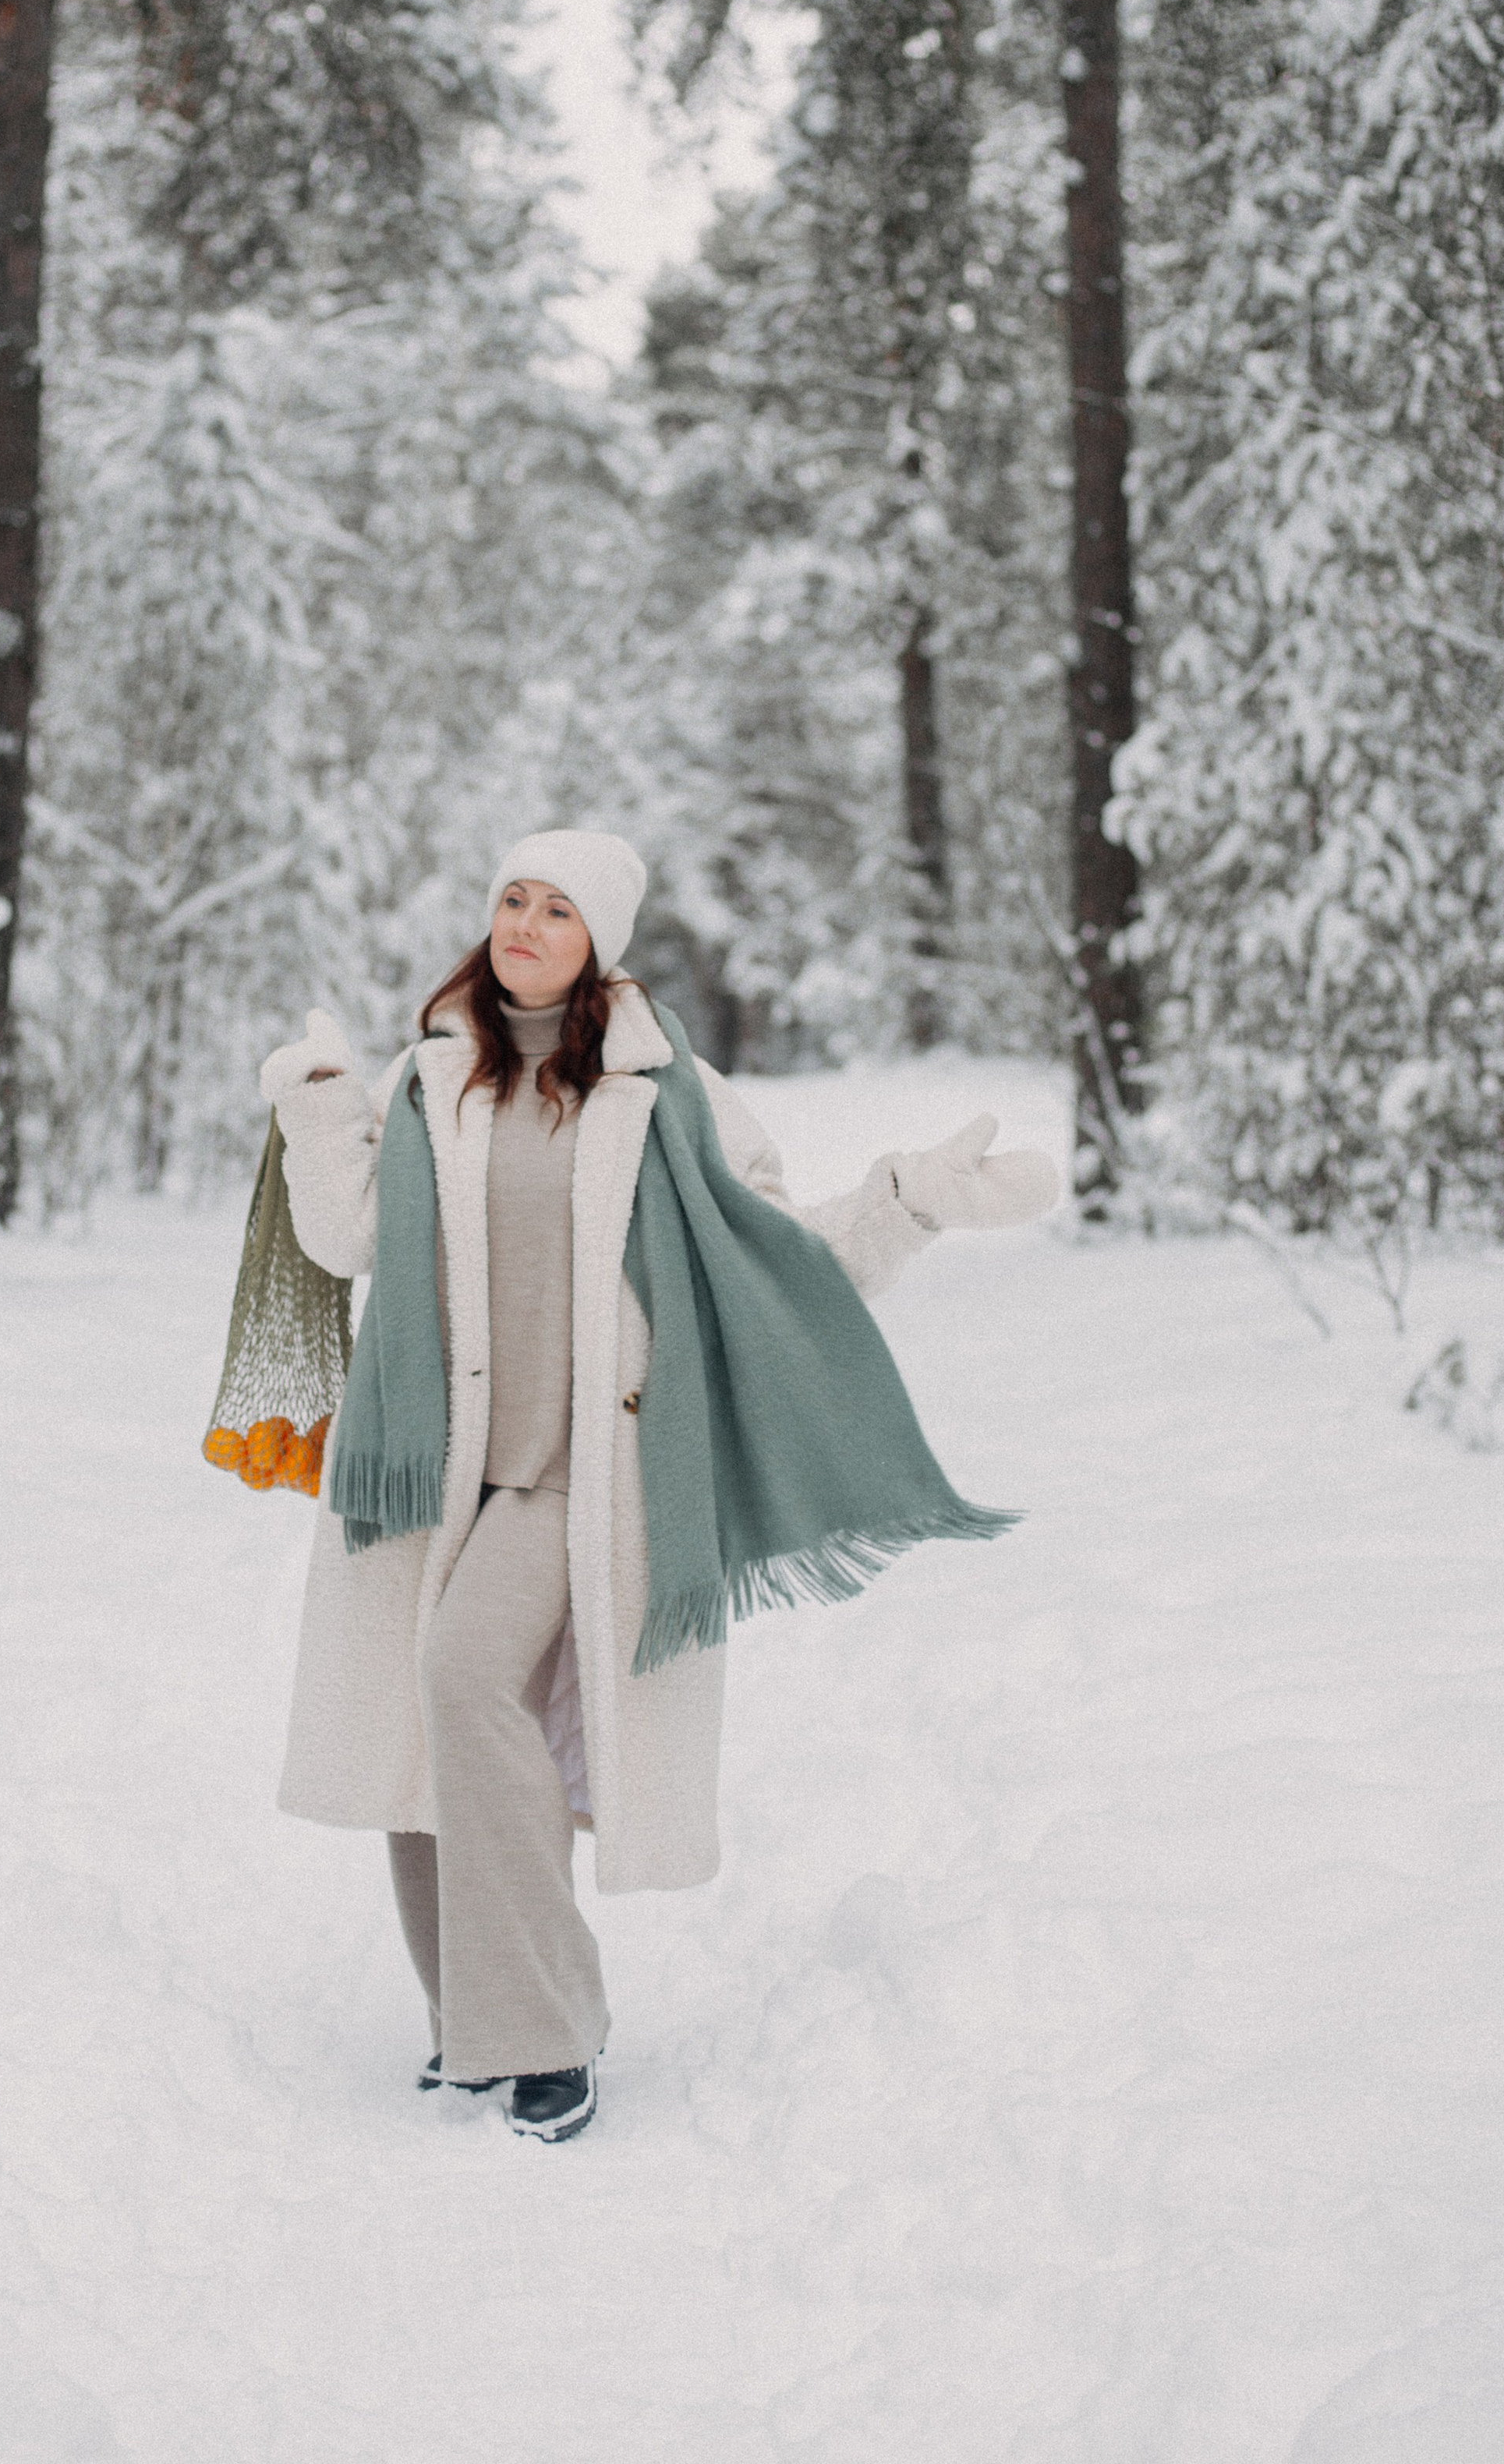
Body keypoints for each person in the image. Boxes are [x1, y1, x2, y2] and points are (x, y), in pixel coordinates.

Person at [260, 829, 1056, 2142]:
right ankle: (470, 2016)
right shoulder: (430, 1073)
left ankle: (551, 2030)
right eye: (512, 898)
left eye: (556, 908)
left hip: (586, 1474)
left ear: (601, 944)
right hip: (436, 1465)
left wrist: (906, 1202)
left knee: (461, 1681)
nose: (523, 922)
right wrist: (318, 1105)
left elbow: (778, 1257)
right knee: (426, 1736)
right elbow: (348, 1236)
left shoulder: (662, 1092)